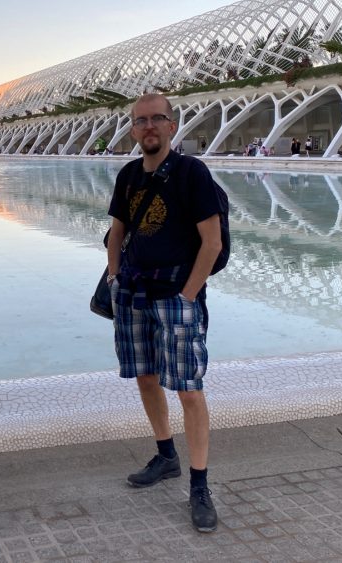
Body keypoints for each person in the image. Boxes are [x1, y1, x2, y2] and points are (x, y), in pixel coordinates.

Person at [105, 93, 223, 533]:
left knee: (189, 390)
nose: (149, 126)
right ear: (133, 129)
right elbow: (116, 233)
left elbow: (211, 243)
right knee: (146, 376)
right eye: (141, 121)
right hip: (134, 293)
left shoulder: (192, 173)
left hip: (177, 295)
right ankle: (165, 455)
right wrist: (116, 277)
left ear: (173, 126)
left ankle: (199, 485)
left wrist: (188, 296)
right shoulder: (129, 175)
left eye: (158, 119)